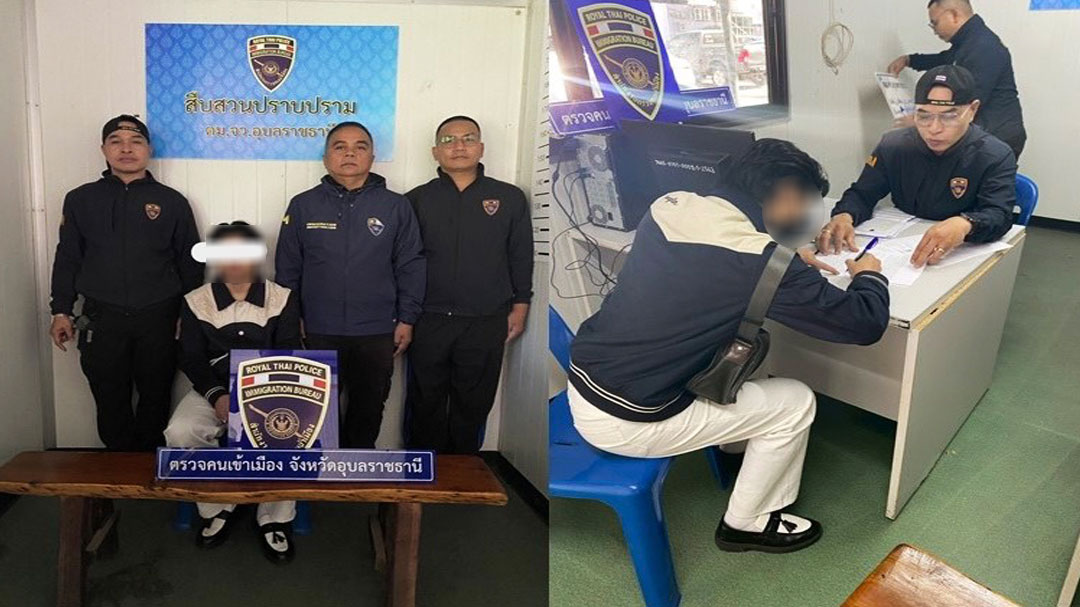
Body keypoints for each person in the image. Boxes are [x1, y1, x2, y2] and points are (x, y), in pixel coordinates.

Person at [567, 139, 891, 554]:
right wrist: (869, 275)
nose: (803, 217)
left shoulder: (669, 205)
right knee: (795, 402)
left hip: (587, 381)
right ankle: (747, 524)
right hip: (630, 420)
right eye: (804, 204)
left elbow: (711, 265)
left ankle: (735, 450)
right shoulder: (764, 263)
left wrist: (784, 259)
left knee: (751, 359)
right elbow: (862, 323)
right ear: (786, 193)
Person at [49, 114, 203, 451]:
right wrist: (60, 310)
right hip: (102, 318)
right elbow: (68, 257)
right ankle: (117, 469)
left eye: (136, 142)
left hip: (159, 317)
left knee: (156, 396)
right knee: (109, 399)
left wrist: (187, 314)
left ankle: (148, 468)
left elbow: (190, 262)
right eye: (116, 142)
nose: (126, 149)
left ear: (149, 149)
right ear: (103, 149)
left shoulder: (172, 201)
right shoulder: (81, 199)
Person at [275, 122, 425, 448]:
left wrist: (407, 318)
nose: (350, 153)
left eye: (360, 146)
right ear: (326, 157)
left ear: (372, 156)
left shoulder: (396, 206)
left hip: (377, 330)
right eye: (340, 146)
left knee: (368, 409)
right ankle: (320, 473)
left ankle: (358, 470)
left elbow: (410, 265)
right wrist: (291, 318)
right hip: (317, 329)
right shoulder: (303, 205)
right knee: (315, 412)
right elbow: (287, 269)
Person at [164, 221, 301, 563]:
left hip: (268, 392)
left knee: (289, 430)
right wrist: (218, 395)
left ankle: (274, 517)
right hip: (214, 390)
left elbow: (287, 351)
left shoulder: (282, 297)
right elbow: (192, 358)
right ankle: (217, 507)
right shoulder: (196, 301)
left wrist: (262, 399)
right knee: (181, 430)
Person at [405, 116, 534, 454]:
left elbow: (520, 254)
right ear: (435, 152)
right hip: (428, 318)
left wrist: (521, 305)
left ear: (481, 148)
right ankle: (423, 471)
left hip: (486, 318)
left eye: (468, 138)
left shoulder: (509, 197)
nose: (459, 146)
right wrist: (403, 315)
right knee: (424, 399)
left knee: (473, 402)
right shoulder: (415, 200)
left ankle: (466, 468)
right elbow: (403, 262)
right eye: (448, 140)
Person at [817, 65, 1016, 268]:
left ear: (972, 110)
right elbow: (863, 193)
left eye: (949, 116)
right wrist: (845, 215)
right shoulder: (894, 145)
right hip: (898, 241)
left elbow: (999, 214)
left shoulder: (994, 155)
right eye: (924, 116)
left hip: (961, 251)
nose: (934, 129)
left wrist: (967, 224)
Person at [886, 0, 1026, 158]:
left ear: (953, 15)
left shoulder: (983, 46)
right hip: (985, 132)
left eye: (935, 23)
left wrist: (922, 120)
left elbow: (969, 99)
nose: (934, 30)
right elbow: (945, 59)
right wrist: (909, 60)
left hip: (995, 136)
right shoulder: (969, 42)